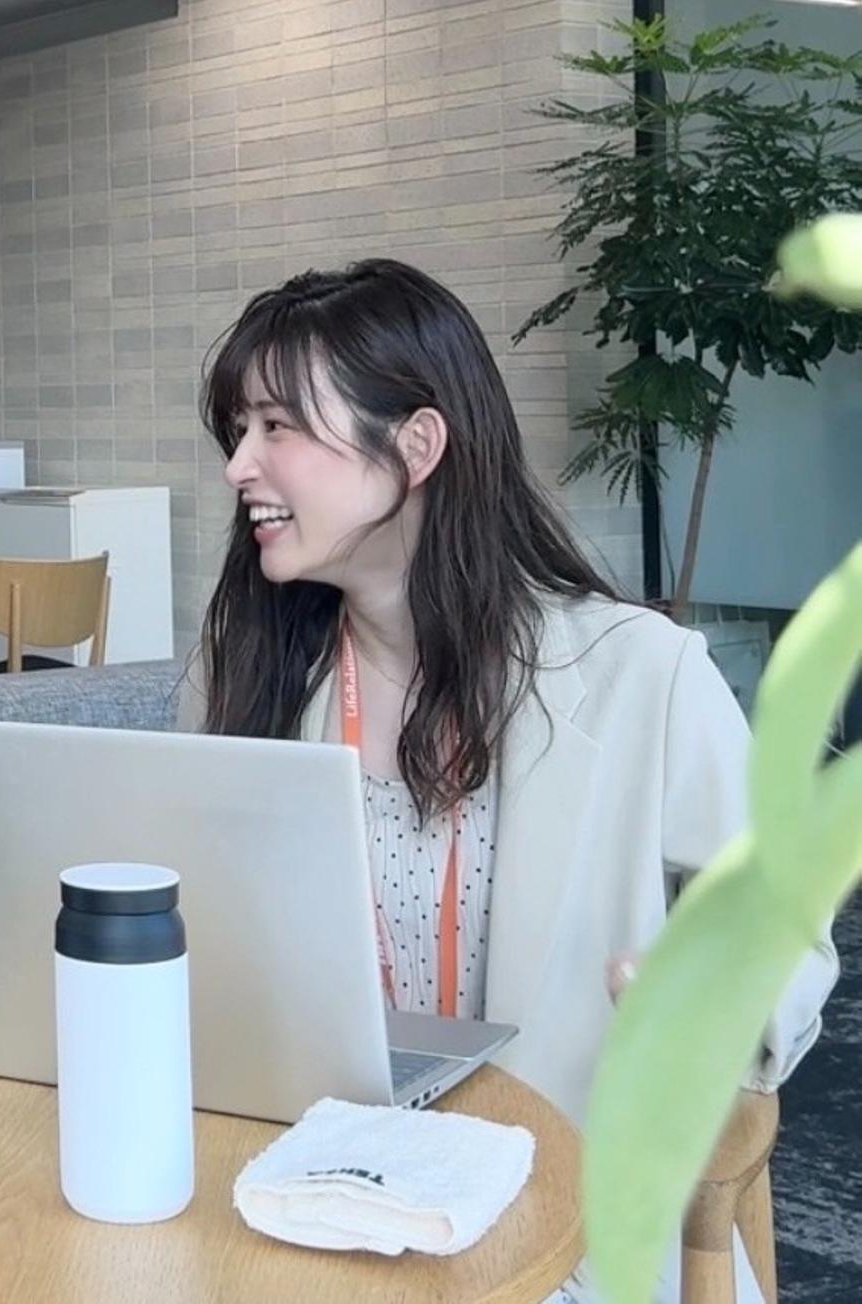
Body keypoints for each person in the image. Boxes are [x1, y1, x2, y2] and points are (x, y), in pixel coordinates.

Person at [175, 260, 834, 1301]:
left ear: (417, 446)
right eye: (238, 430)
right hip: (313, 1201)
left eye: (276, 426)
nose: (238, 465)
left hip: (571, 1222)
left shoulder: (640, 673)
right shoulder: (250, 676)